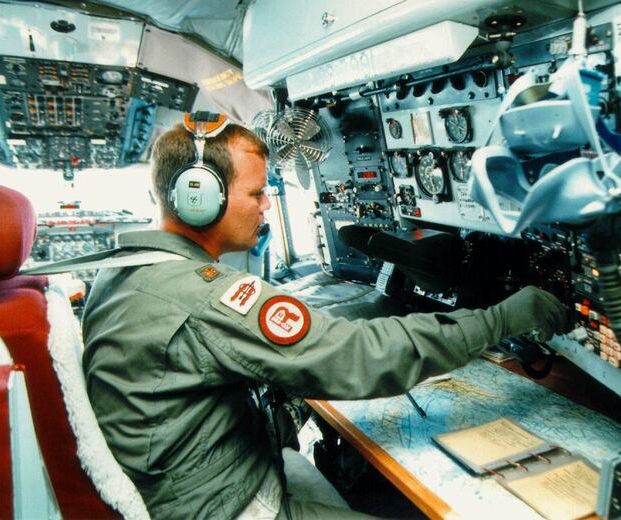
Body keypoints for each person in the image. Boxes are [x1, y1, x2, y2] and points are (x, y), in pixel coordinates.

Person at [82, 117, 569, 520]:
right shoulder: (200, 294)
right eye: (255, 194)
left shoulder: (125, 272)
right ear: (198, 196)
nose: (266, 205)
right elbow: (357, 356)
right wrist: (504, 317)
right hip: (232, 507)